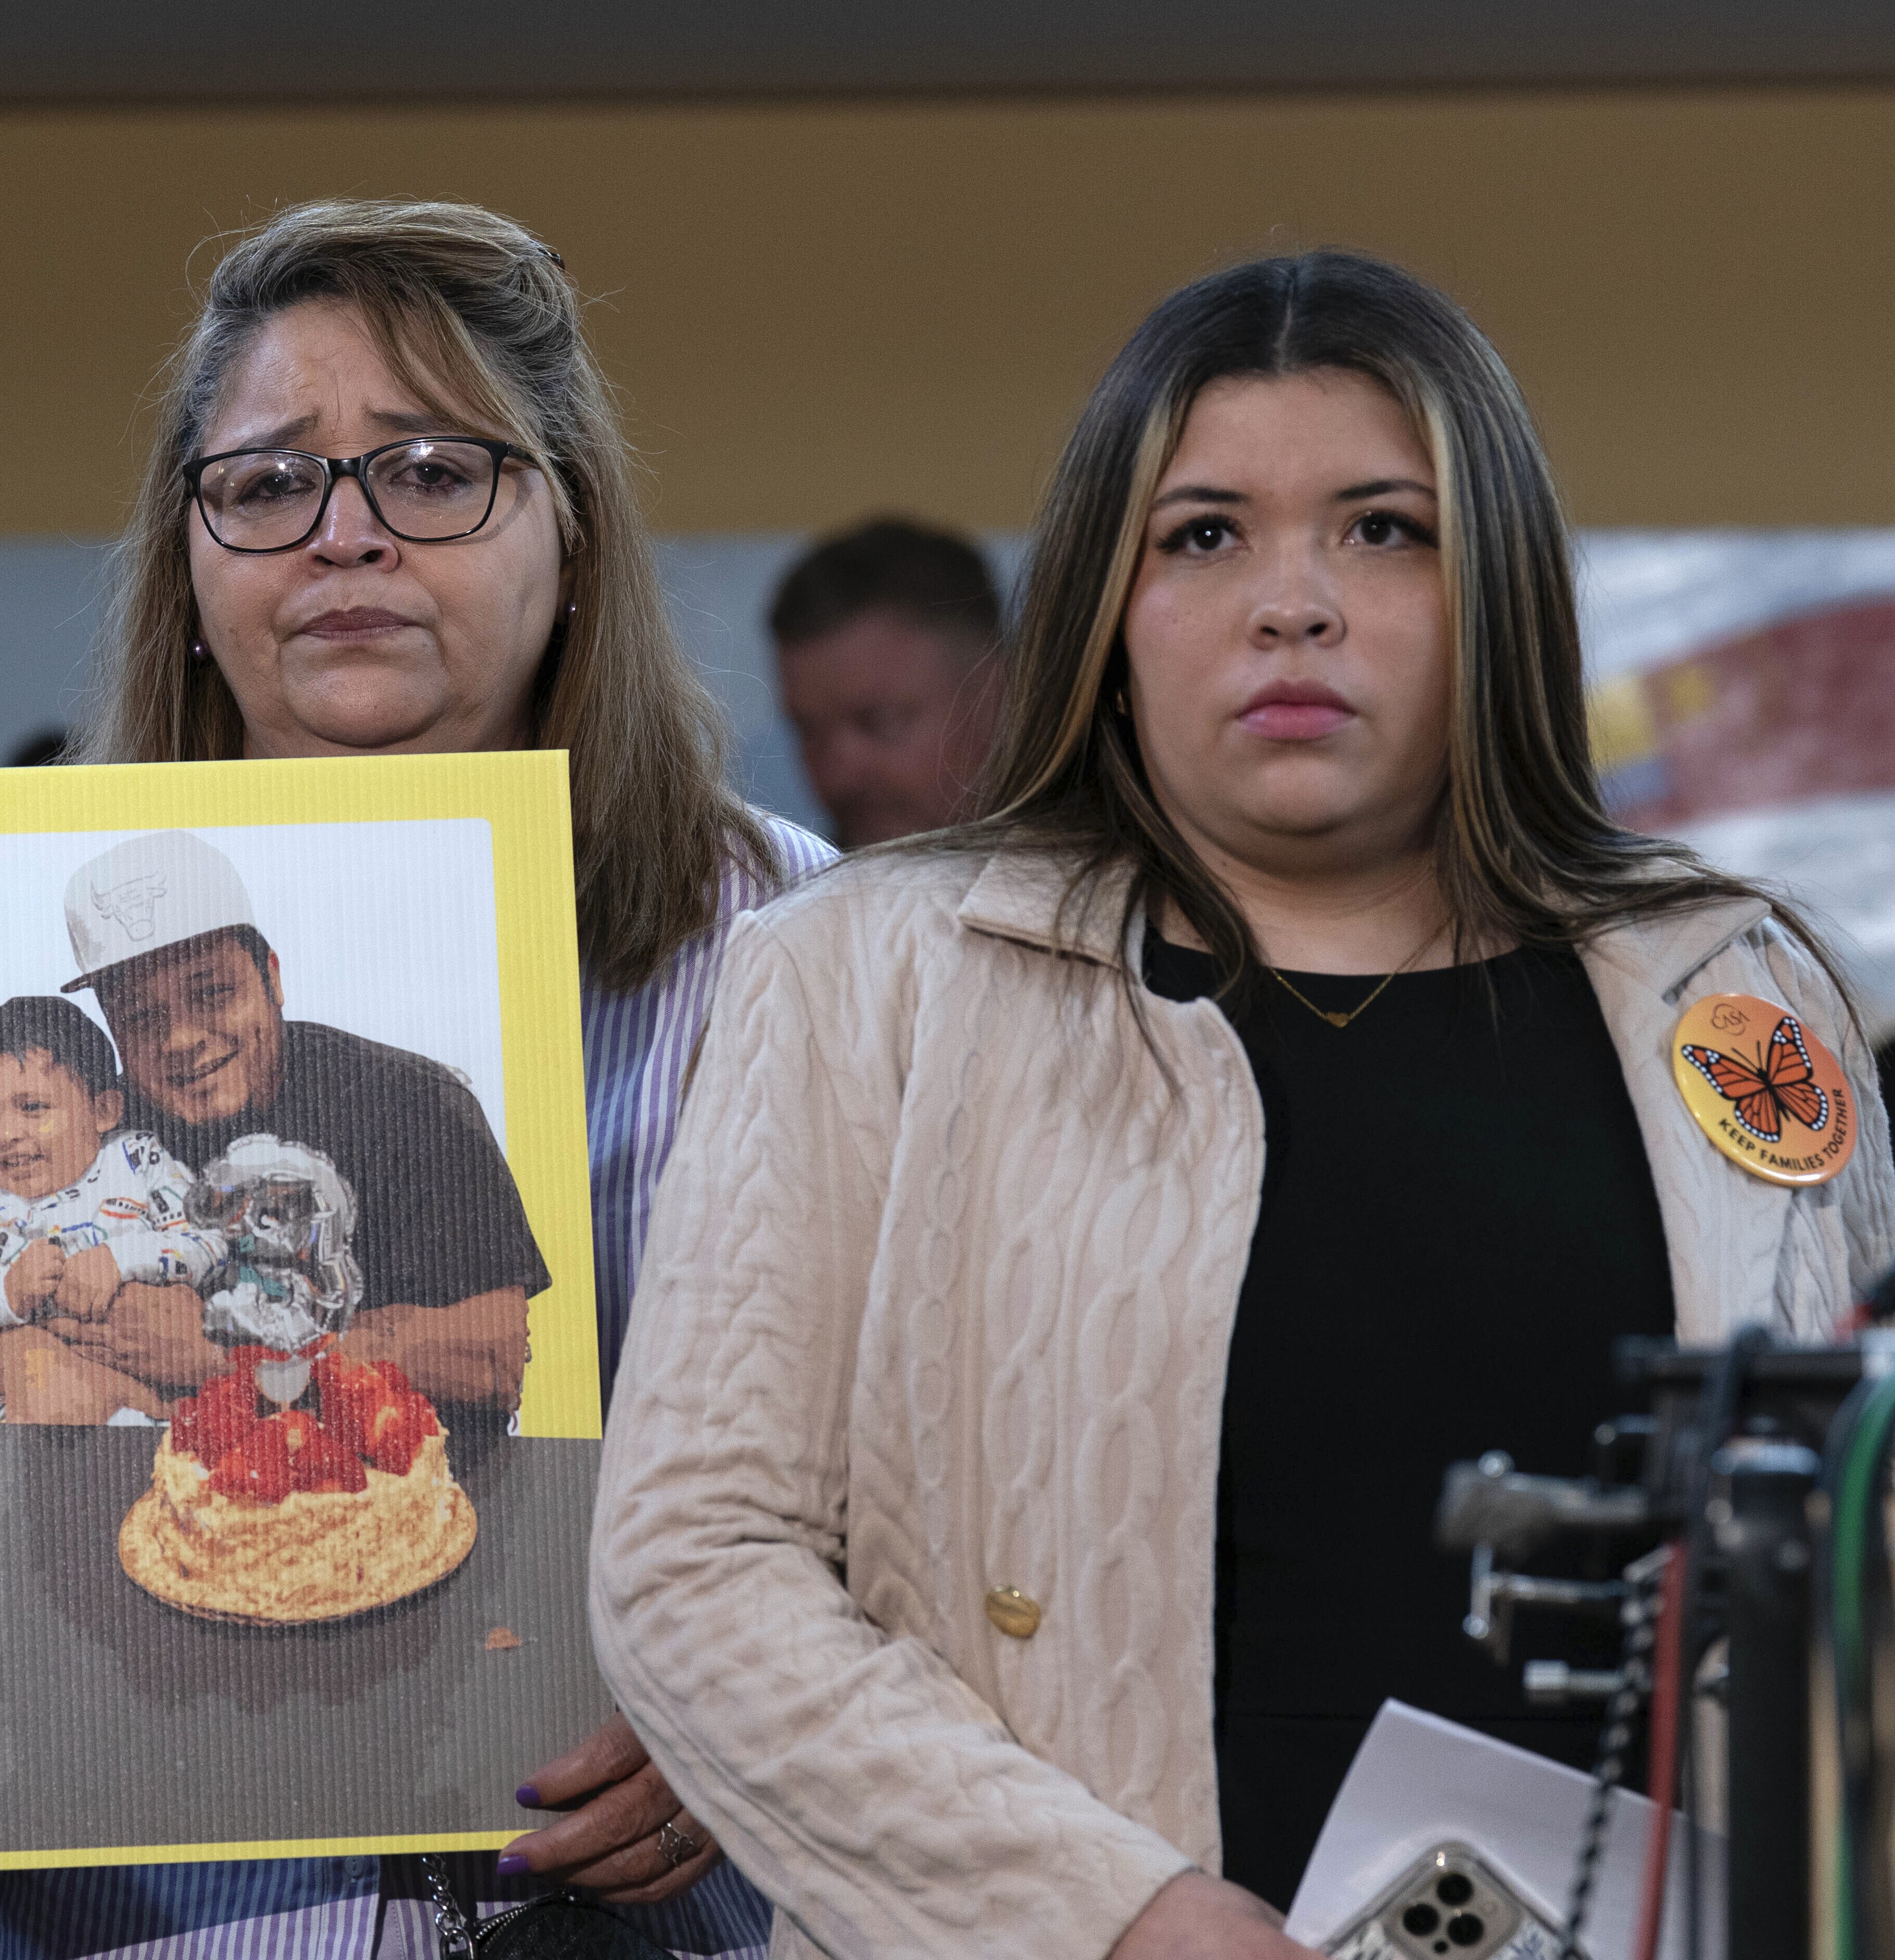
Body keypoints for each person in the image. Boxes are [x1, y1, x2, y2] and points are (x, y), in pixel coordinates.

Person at [590, 250, 1895, 1959]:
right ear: (1102, 607)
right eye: (1201, 533)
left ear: (1493, 583)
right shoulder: (866, 973)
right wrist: (1112, 1915)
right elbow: (695, 1561)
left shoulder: (1727, 986)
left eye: (1381, 528)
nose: (1292, 600)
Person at [0, 199, 833, 1960]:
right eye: (267, 484)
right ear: (189, 559)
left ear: (564, 526)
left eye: (430, 472)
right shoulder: (12, 998)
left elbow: (960, 1474)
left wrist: (765, 1704)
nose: (342, 536)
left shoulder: (804, 941)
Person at [0, 829, 550, 1415]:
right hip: (173, 1489)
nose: (181, 1039)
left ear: (272, 977)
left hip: (395, 1490)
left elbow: (492, 1361)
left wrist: (232, 1353)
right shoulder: (99, 1132)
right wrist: (30, 1362)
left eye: (213, 992)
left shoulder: (412, 1104)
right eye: (141, 1017)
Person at [0, 994, 222, 1384]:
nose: (7, 1134)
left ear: (103, 1111)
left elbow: (209, 1243)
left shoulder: (137, 1161)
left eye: (33, 1107)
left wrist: (119, 1258)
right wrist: (4, 1296)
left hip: (169, 1401)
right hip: (49, 1419)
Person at [769, 516, 1005, 846]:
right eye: (808, 732)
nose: (840, 776)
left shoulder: (1094, 889)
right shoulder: (781, 891)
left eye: (882, 722)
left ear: (998, 696)